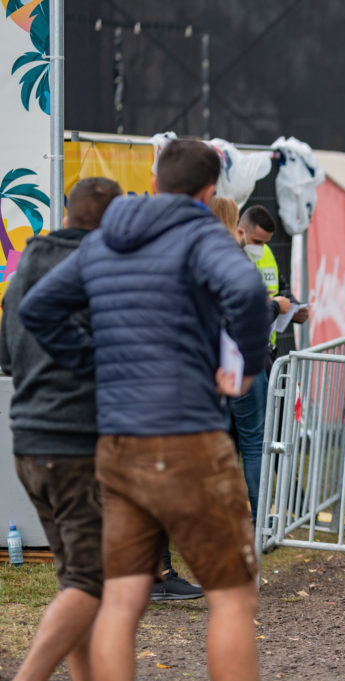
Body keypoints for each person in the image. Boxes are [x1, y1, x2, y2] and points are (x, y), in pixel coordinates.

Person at [19, 139, 269, 681]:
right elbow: (249, 294)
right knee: (232, 597)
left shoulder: (107, 236)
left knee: (122, 599)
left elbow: (38, 307)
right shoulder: (201, 231)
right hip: (188, 438)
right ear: (210, 191)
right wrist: (247, 367)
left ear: (154, 181)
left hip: (118, 443)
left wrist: (94, 361)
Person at [0, 178, 121, 681]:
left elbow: (7, 357)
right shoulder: (101, 270)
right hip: (75, 444)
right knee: (91, 582)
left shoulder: (27, 264)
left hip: (28, 443)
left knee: (76, 580)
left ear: (68, 212)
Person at [231, 205, 302, 525]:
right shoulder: (231, 261)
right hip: (243, 357)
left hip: (256, 354)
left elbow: (282, 290)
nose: (261, 248)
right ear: (239, 229)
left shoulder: (262, 255)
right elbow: (246, 313)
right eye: (257, 241)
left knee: (243, 440)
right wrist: (274, 306)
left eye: (265, 242)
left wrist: (292, 307)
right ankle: (258, 520)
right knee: (253, 442)